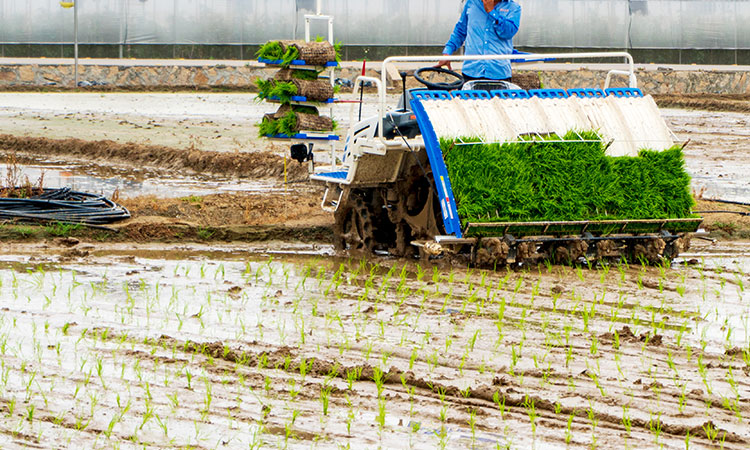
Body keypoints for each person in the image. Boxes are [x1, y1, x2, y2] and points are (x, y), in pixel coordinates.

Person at [437, 0, 522, 82]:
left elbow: (508, 33)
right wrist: (447, 53)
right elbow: (460, 31)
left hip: (498, 72)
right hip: (471, 71)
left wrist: (492, 12)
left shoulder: (513, 7)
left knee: (497, 97)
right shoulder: (471, 3)